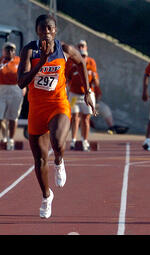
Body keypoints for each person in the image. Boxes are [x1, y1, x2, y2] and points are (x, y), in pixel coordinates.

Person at [17, 15, 95, 219]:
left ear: (55, 30)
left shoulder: (65, 49)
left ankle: (59, 161)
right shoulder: (29, 50)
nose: (46, 32)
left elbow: (81, 63)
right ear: (37, 31)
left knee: (58, 142)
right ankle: (46, 196)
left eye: (50, 28)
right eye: (42, 29)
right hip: (37, 108)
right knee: (40, 159)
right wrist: (40, 62)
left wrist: (87, 91)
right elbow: (21, 82)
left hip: (58, 103)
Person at [66, 40, 98, 151]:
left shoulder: (91, 62)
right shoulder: (71, 62)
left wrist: (94, 78)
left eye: (83, 46)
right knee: (74, 117)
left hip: (87, 93)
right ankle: (73, 141)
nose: (83, 58)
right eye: (79, 46)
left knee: (86, 118)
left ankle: (85, 140)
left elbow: (96, 82)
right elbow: (67, 77)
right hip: (74, 94)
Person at [0, 42, 24, 150]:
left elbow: (25, 74)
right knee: (0, 117)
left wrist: (24, 87)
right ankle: (4, 136)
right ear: (3, 51)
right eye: (8, 50)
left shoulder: (19, 61)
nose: (10, 52)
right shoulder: (0, 61)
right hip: (2, 89)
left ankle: (10, 139)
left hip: (15, 89)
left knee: (13, 117)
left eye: (12, 50)